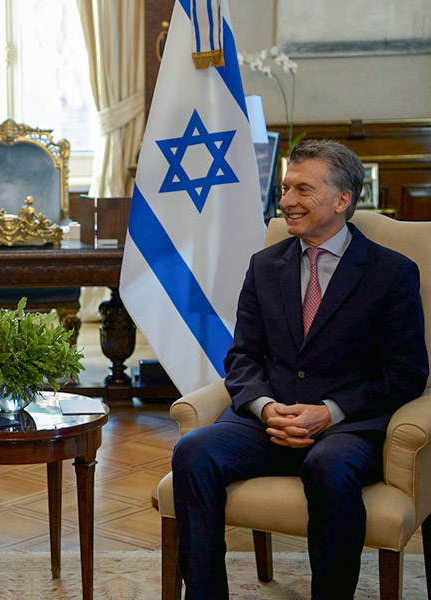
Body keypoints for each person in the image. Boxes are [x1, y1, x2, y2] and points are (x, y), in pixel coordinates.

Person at [171, 139, 428, 599]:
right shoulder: (264, 265)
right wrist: (267, 408)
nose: (287, 201)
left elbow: (406, 372)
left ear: (342, 199)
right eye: (286, 188)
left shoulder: (392, 272)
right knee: (195, 450)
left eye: (302, 189)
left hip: (345, 428)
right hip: (267, 421)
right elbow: (242, 358)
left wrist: (329, 411)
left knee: (329, 468)